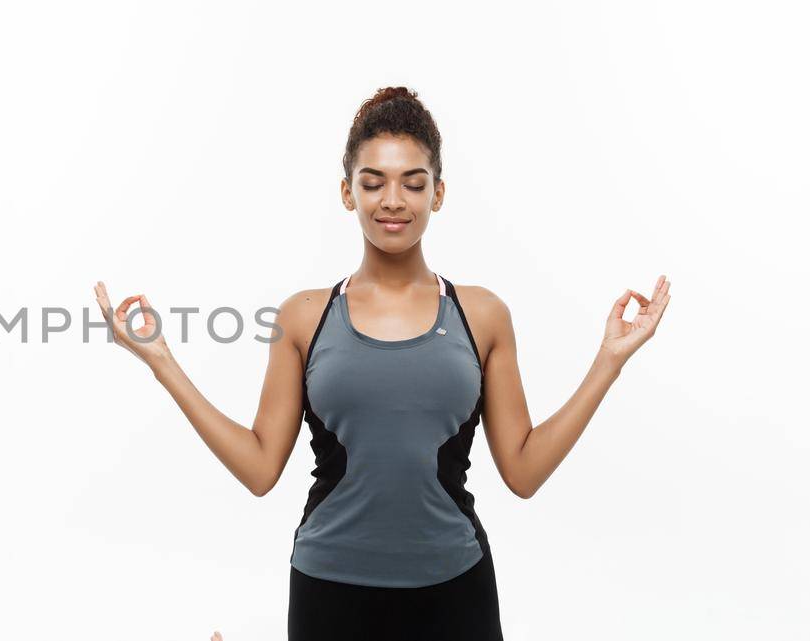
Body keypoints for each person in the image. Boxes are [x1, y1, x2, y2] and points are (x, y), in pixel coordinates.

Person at [92, 86, 671, 641]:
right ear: (348, 193)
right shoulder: (303, 317)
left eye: (412, 184)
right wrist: (161, 362)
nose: (392, 200)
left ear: (437, 193)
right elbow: (260, 467)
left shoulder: (483, 315)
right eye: (373, 183)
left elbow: (522, 471)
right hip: (329, 592)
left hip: (455, 592)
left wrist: (608, 362)